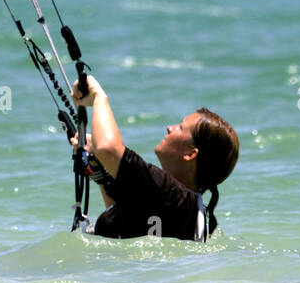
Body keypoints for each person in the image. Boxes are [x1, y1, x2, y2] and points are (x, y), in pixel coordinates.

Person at [71, 75, 238, 241]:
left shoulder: (167, 190)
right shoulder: (185, 203)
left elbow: (107, 148)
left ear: (190, 154)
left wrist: (98, 96)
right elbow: (128, 220)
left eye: (180, 128)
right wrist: (101, 172)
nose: (169, 128)